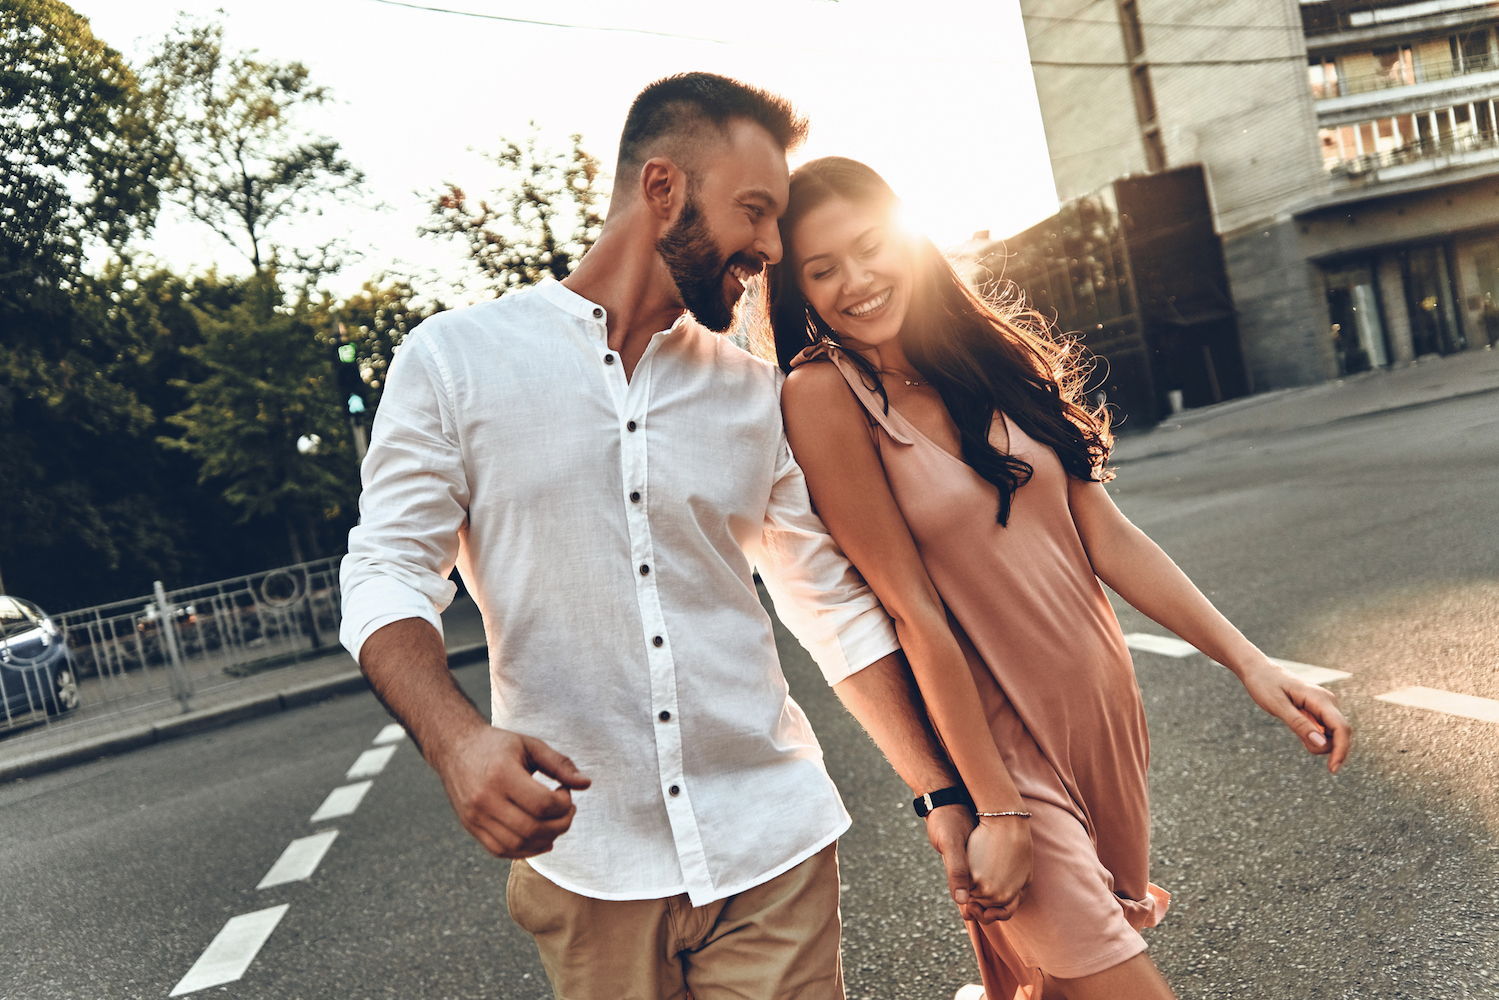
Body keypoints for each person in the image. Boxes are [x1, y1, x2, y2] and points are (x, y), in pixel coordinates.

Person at [339, 75, 995, 1000]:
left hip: (771, 844)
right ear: (663, 191)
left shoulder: (752, 392)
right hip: (589, 868)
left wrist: (941, 792)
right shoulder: (454, 363)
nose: (771, 247)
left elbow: (830, 607)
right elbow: (387, 574)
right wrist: (456, 744)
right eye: (755, 213)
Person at [765, 157, 1354, 1000]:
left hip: (1102, 719)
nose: (855, 281)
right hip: (1001, 744)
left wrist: (1252, 664)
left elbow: (1107, 539)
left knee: (1054, 987)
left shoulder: (986, 358)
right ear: (801, 292)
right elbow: (911, 612)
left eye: (868, 248)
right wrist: (991, 805)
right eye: (822, 270)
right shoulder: (822, 396)